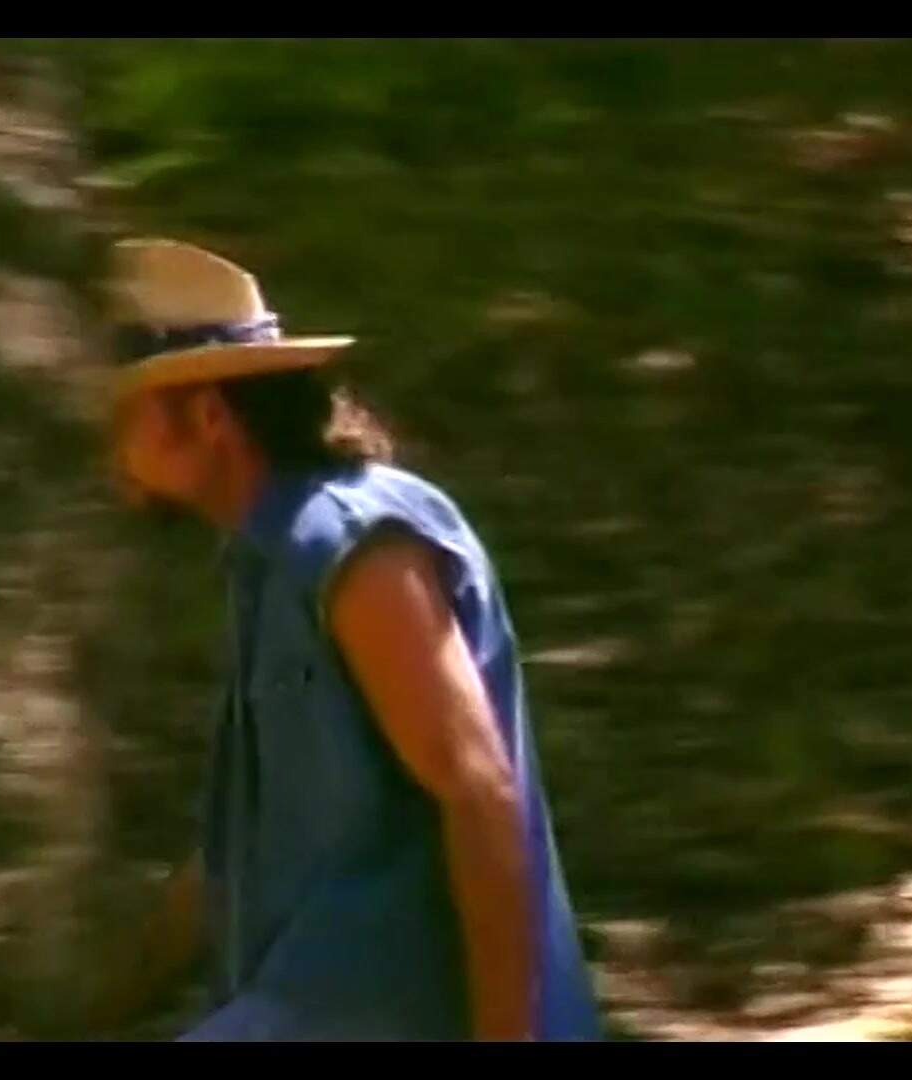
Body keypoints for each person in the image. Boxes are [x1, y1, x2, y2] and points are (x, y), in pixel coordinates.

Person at [92, 237, 600, 1041]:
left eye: (121, 415)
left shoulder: (350, 543)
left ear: (209, 415)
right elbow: (233, 856)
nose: (105, 445)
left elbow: (477, 789)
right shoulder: (265, 566)